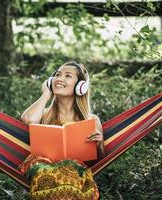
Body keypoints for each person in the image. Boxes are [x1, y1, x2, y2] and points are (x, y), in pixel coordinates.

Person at [19, 61, 104, 200]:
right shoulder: (44, 114)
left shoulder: (91, 120)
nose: (59, 78)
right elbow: (28, 120)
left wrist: (99, 143)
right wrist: (46, 94)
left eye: (68, 76)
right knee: (42, 172)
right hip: (43, 167)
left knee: (72, 176)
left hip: (73, 171)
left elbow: (99, 160)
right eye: (57, 75)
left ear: (80, 87)